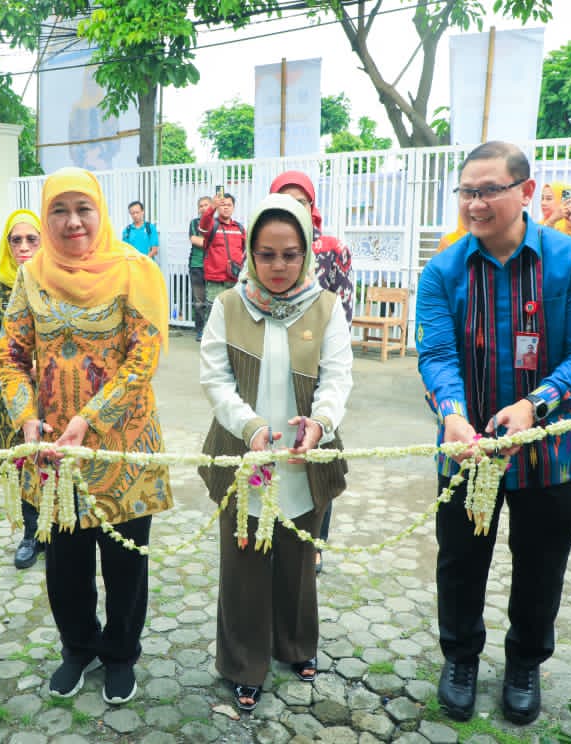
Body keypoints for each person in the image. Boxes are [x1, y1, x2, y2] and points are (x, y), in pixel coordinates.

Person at [415, 141, 571, 726]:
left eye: (488, 191)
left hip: (550, 450)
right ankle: (460, 659)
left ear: (525, 191)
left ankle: (525, 662)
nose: (475, 204)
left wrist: (533, 405)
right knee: (460, 560)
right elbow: (437, 354)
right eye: (467, 192)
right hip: (467, 447)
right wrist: (452, 413)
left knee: (541, 564)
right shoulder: (442, 270)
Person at [0, 167, 171, 706]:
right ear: (46, 217)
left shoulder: (134, 271)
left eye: (83, 209)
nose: (73, 222)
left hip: (124, 446)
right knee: (65, 564)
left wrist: (90, 419)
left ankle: (120, 653)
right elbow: (11, 354)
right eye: (59, 210)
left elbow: (143, 359)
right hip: (54, 451)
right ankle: (78, 648)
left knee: (125, 562)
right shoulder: (32, 276)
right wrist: (27, 417)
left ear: (101, 212)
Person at [199, 193, 352, 713]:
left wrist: (321, 423)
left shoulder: (325, 307)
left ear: (306, 251)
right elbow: (215, 380)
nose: (279, 266)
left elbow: (337, 377)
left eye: (290, 254)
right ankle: (244, 663)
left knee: (298, 559)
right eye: (266, 254)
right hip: (243, 452)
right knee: (243, 561)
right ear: (251, 253)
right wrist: (249, 427)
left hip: (305, 455)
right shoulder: (229, 306)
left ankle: (295, 644)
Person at [268, 171, 354, 575]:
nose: (294, 208)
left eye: (301, 201)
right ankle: (268, 530)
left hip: (316, 371)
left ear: (312, 205)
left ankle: (315, 543)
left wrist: (326, 364)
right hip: (269, 371)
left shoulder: (332, 249)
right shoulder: (262, 246)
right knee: (272, 453)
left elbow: (343, 307)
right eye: (285, 199)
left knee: (317, 457)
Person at [0, 209, 44, 569]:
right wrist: (20, 365)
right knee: (21, 461)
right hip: (10, 390)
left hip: (56, 389)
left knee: (55, 458)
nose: (24, 246)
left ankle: (60, 532)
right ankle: (31, 534)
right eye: (16, 240)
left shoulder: (56, 282)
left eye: (32, 239)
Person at [197, 191, 246, 330]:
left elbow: (245, 251)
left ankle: (232, 341)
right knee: (214, 315)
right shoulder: (211, 225)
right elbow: (202, 226)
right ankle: (209, 341)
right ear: (218, 207)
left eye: (229, 205)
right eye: (223, 204)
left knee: (234, 315)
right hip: (215, 281)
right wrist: (212, 207)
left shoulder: (239, 228)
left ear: (233, 207)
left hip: (235, 281)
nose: (226, 207)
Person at [188, 195, 212, 341]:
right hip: (196, 266)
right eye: (201, 206)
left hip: (214, 268)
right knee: (199, 302)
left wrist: (207, 242)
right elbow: (194, 239)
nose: (203, 208)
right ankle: (200, 330)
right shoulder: (194, 223)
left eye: (206, 205)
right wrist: (213, 243)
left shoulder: (216, 222)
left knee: (213, 301)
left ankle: (212, 331)